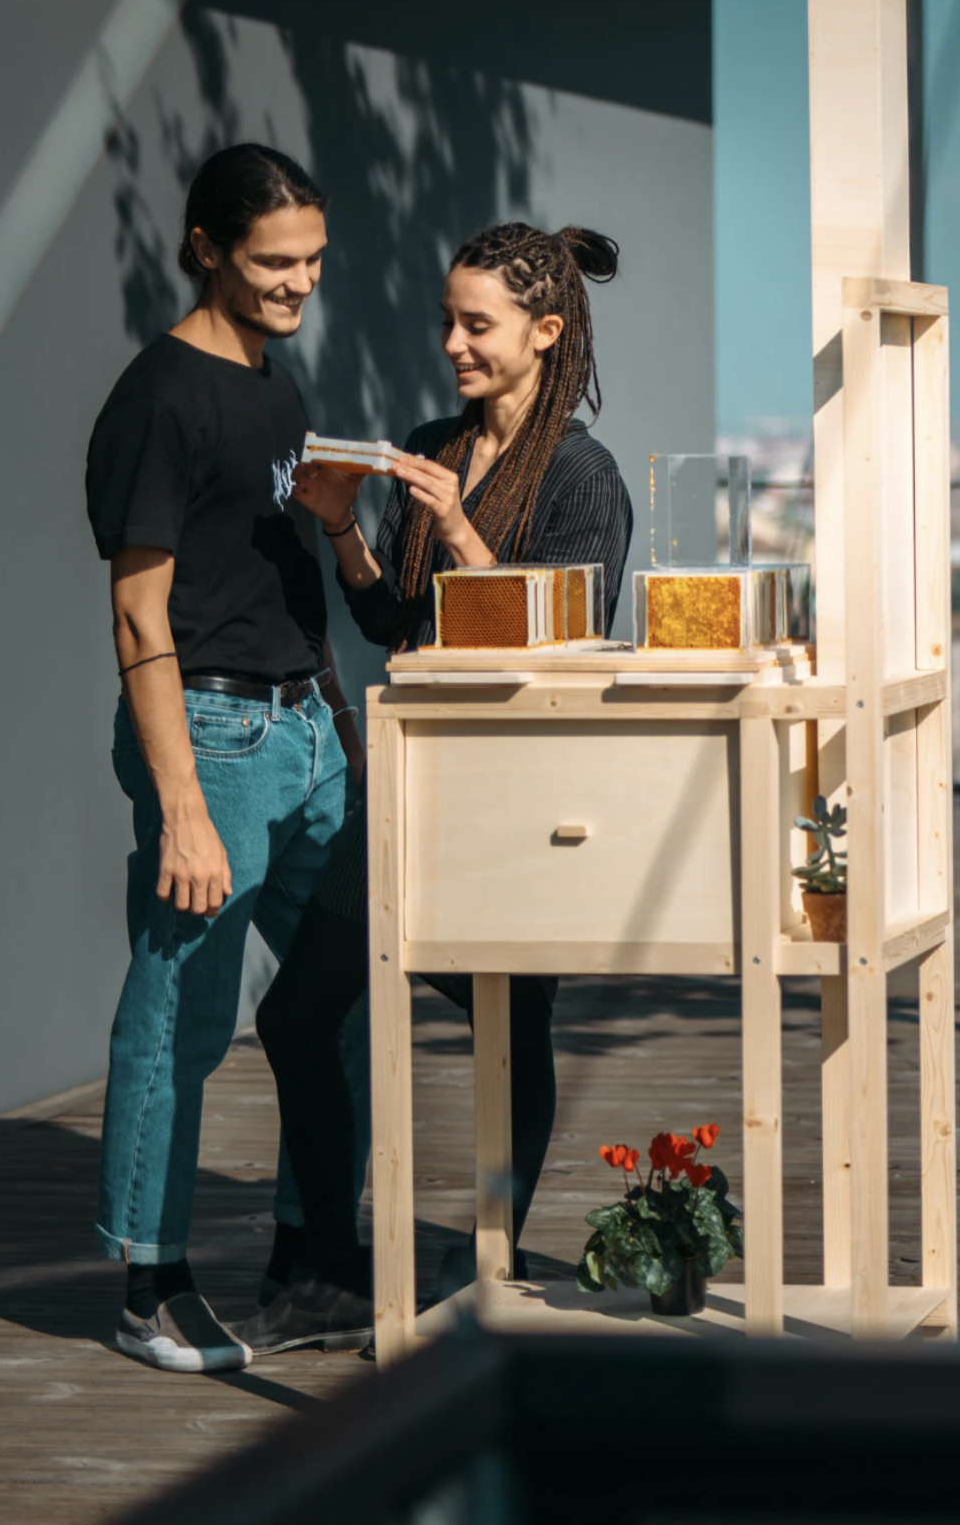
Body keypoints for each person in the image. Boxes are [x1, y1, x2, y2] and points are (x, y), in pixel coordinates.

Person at [246, 222, 633, 1354]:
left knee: (511, 1024)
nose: (453, 344)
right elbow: (388, 623)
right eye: (449, 321)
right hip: (410, 788)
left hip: (516, 802)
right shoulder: (428, 444)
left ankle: (491, 1267)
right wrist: (341, 531)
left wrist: (461, 526)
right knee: (298, 1015)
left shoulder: (581, 475)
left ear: (544, 333)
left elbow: (559, 642)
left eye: (479, 325)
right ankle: (320, 1267)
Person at [85, 143, 354, 1372]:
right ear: (205, 249)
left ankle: (313, 1255)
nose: (299, 283)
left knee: (336, 994)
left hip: (305, 731)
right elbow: (140, 618)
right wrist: (184, 808)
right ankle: (150, 1283)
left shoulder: (274, 383)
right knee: (181, 1015)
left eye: (310, 259)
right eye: (273, 262)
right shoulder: (161, 398)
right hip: (213, 736)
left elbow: (276, 573)